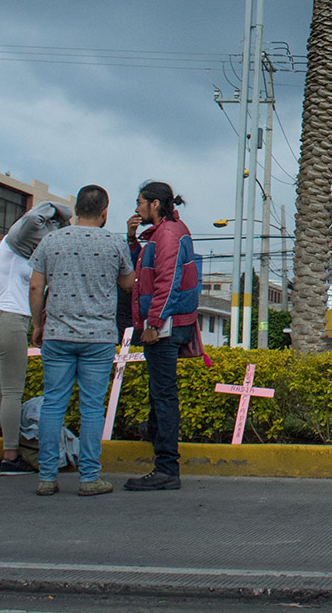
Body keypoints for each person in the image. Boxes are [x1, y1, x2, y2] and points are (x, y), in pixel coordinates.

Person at [29, 184, 135, 497]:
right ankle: (89, 478)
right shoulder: (114, 243)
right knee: (91, 408)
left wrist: (37, 325)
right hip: (99, 338)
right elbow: (129, 282)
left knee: (53, 404)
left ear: (76, 209)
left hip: (57, 335)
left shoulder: (52, 240)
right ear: (105, 211)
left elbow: (36, 287)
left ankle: (47, 476)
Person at [0, 201, 71, 475]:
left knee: (1, 392)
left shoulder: (20, 255)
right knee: (13, 393)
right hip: (12, 322)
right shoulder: (13, 242)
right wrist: (54, 208)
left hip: (4, 321)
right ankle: (11, 457)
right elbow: (31, 220)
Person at [125, 180, 199, 492]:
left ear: (155, 204)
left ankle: (167, 467)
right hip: (172, 322)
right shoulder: (168, 231)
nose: (137, 207)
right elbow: (143, 274)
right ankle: (155, 432)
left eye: (141, 202)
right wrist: (132, 241)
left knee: (164, 395)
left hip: (165, 326)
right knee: (160, 393)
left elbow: (167, 280)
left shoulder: (167, 234)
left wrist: (153, 323)